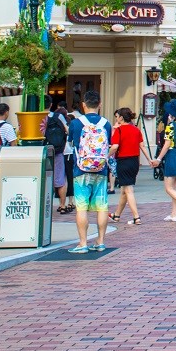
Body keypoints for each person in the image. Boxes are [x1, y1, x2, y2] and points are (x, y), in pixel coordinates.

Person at [66, 90, 113, 254]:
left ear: (84, 105)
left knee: (81, 207)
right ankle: (100, 241)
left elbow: (71, 144)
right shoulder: (106, 123)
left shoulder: (76, 123)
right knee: (102, 207)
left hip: (81, 170)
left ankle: (83, 243)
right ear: (100, 104)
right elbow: (109, 145)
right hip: (101, 169)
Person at [108, 107, 151, 226]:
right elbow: (142, 146)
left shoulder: (119, 130)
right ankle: (117, 215)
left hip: (123, 161)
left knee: (128, 190)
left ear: (121, 117)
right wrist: (149, 159)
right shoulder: (136, 130)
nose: (116, 119)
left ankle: (136, 217)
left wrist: (106, 156)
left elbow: (115, 146)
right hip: (134, 162)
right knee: (124, 190)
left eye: (117, 117)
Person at [46, 104, 72, 213]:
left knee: (45, 178)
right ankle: (62, 205)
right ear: (51, 104)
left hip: (43, 151)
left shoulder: (38, 116)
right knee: (60, 179)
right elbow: (68, 131)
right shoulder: (58, 116)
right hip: (58, 151)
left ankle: (45, 205)